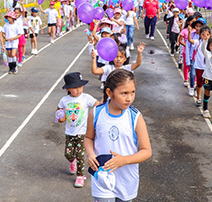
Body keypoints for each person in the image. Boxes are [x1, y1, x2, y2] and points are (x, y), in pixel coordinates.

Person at [84, 70, 152, 202]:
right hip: (102, 179)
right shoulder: (96, 113)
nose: (129, 98)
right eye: (124, 93)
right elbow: (88, 138)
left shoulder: (135, 117)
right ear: (109, 93)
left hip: (126, 181)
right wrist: (90, 154)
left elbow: (147, 151)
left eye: (133, 92)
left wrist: (123, 160)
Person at [56, 72, 100, 188]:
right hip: (69, 133)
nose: (78, 90)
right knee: (68, 153)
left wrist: (102, 107)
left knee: (80, 154)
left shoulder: (86, 98)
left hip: (83, 133)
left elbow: (97, 104)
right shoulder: (64, 100)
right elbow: (60, 115)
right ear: (68, 89)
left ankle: (80, 176)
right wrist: (60, 118)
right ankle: (72, 160)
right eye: (75, 88)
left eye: (80, 87)